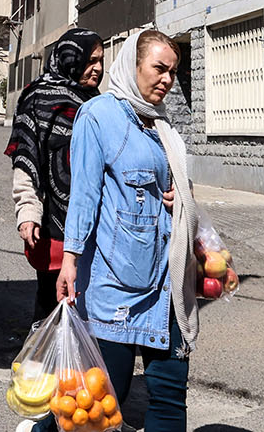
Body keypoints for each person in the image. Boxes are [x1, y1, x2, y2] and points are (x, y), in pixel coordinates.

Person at [55, 30, 198, 432]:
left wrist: (178, 197)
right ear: (132, 65)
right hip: (115, 284)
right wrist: (70, 260)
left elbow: (174, 185)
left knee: (170, 392)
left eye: (173, 71)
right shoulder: (99, 115)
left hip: (166, 281)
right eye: (158, 68)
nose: (167, 79)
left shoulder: (162, 125)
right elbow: (83, 195)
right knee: (100, 401)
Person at [5, 28, 104, 322]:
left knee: (85, 303)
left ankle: (77, 364)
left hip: (92, 220)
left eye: (101, 60)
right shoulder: (38, 98)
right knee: (51, 302)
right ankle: (44, 363)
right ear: (71, 59)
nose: (98, 67)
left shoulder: (97, 102)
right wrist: (27, 211)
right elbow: (26, 159)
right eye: (91, 60)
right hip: (52, 222)